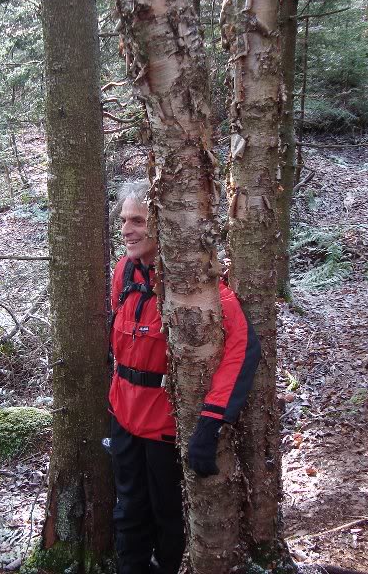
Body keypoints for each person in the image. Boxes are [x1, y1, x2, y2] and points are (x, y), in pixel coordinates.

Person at [108, 180, 260, 574]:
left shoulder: (196, 284)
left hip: (164, 427)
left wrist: (212, 421)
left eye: (138, 220)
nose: (128, 230)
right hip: (123, 417)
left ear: (161, 225)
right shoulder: (123, 272)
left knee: (168, 517)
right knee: (127, 509)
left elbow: (242, 348)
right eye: (124, 220)